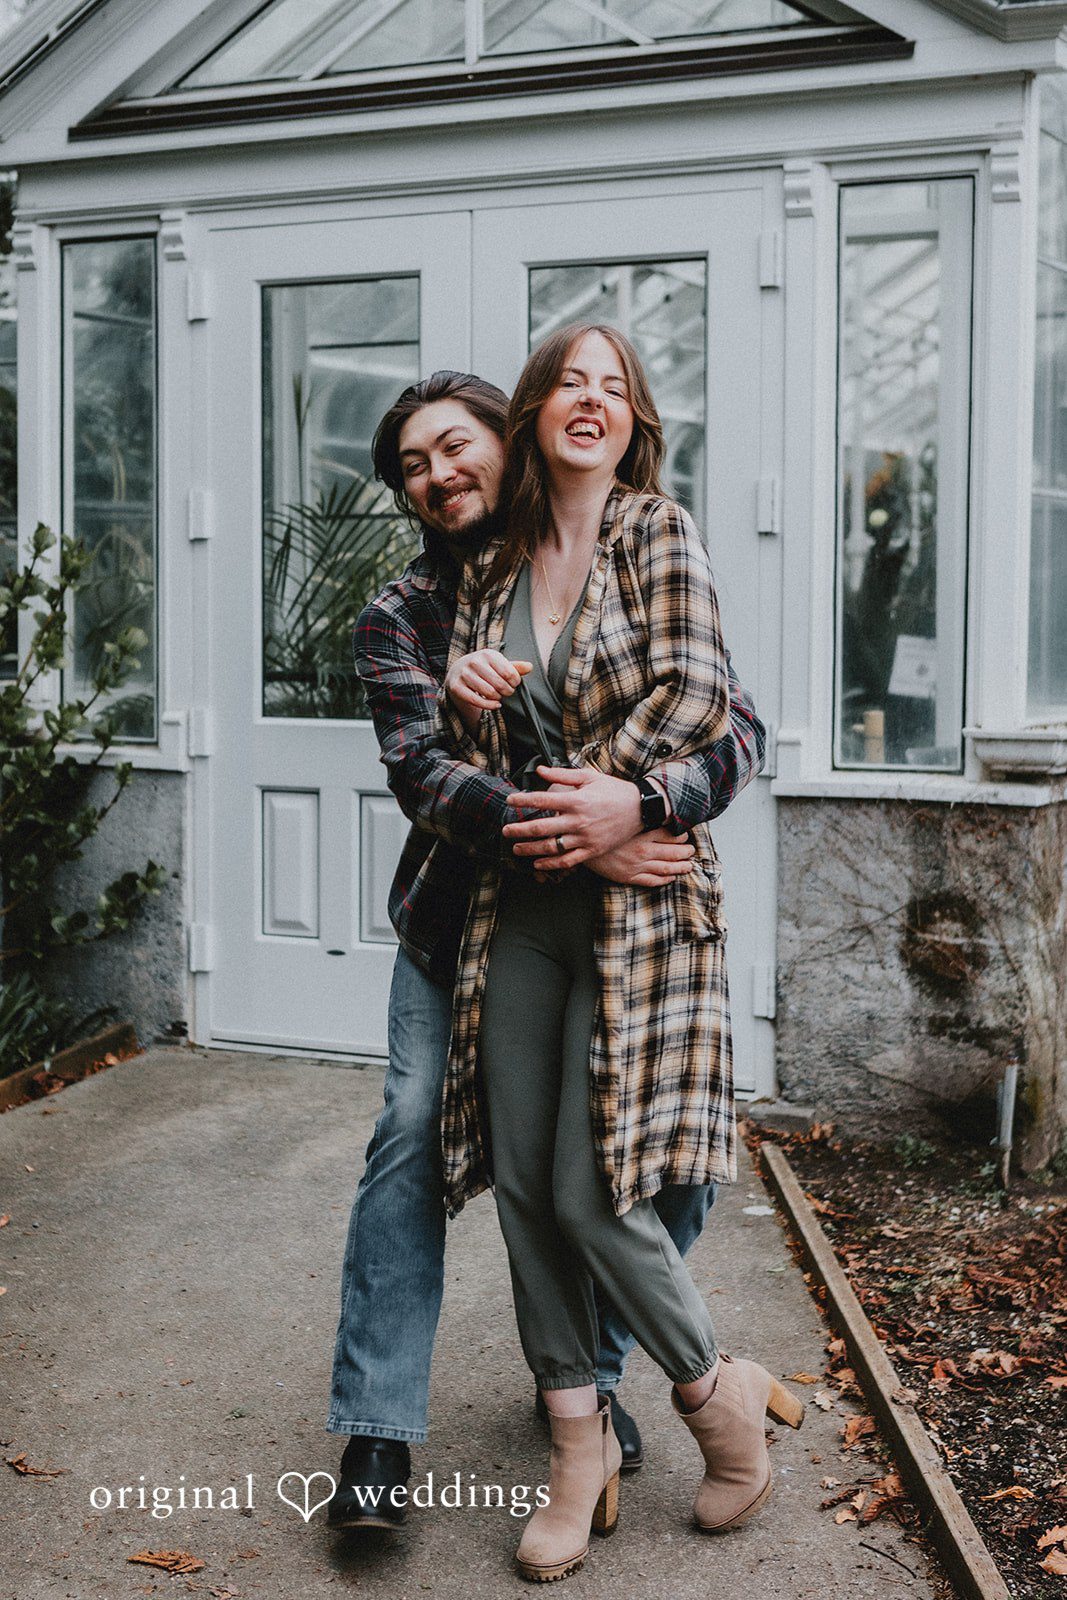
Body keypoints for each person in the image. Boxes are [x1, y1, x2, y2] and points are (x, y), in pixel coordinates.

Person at [326, 368, 767, 1532]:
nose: (437, 472)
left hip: (619, 925)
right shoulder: (405, 611)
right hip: (454, 925)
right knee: (413, 1134)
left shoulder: (602, 540)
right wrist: (578, 833)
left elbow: (739, 720)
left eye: (453, 444)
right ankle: (378, 1427)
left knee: (637, 1167)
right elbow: (420, 770)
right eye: (413, 463)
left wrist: (648, 807)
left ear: (501, 442)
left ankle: (600, 1382)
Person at [436, 325, 803, 1582]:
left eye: (614, 386)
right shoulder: (487, 570)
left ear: (631, 417)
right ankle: (576, 1446)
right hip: (528, 903)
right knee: (530, 1194)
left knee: (600, 1189)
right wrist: (468, 701)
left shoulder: (657, 530)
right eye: (568, 382)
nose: (589, 400)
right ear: (535, 407)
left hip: (641, 909)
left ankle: (718, 1405)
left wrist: (620, 809)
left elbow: (702, 696)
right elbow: (474, 774)